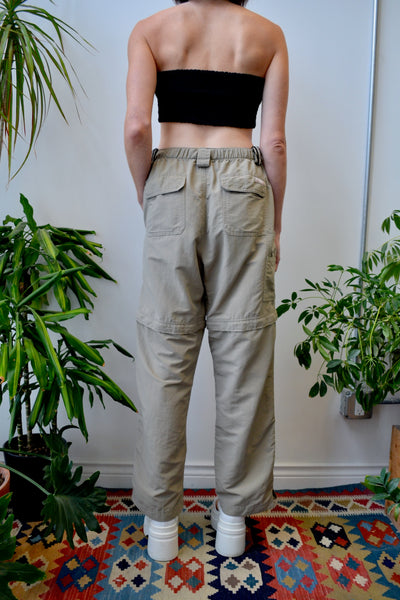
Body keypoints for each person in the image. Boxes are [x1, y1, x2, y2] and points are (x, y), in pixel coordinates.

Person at [124, 0, 288, 562]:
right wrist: (276, 225)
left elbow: (137, 127)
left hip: (169, 183)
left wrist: (149, 194)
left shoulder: (151, 30)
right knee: (244, 356)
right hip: (244, 186)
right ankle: (233, 522)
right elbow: (274, 143)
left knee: (164, 359)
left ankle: (162, 527)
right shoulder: (268, 34)